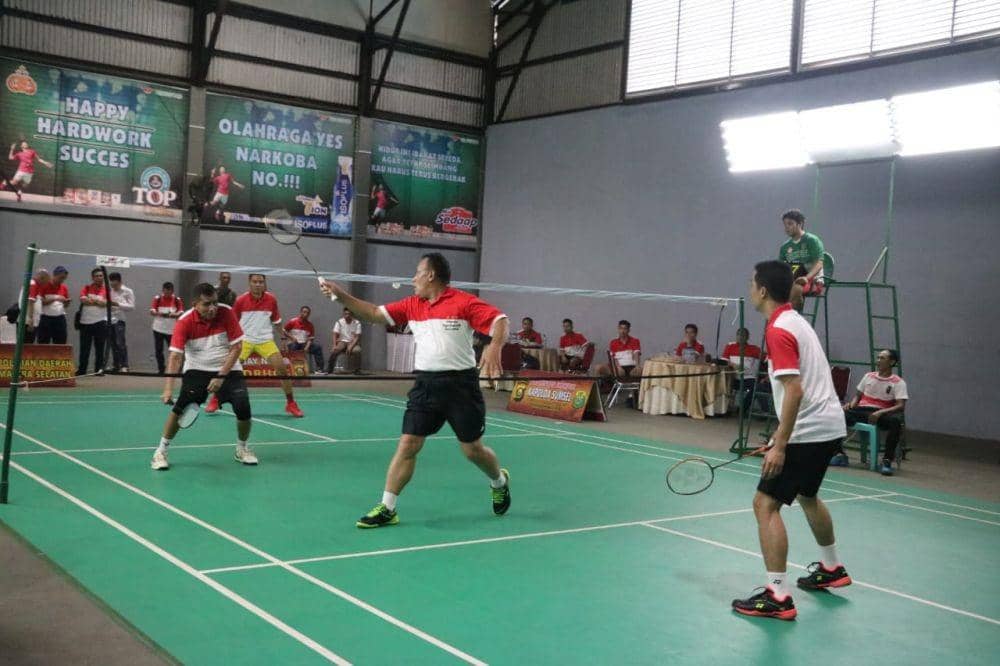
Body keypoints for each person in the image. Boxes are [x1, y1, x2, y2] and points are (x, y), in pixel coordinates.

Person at [319, 252, 511, 528]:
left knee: (472, 450)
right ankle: (388, 507)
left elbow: (500, 320)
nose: (413, 279)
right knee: (408, 444)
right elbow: (373, 313)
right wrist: (340, 295)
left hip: (461, 386)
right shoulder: (412, 305)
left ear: (431, 275)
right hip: (425, 385)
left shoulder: (463, 302)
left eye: (417, 273)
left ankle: (499, 481)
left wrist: (494, 347)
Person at [731, 260, 850, 621]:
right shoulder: (796, 319)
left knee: (764, 505)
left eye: (752, 282)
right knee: (807, 495)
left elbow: (794, 390)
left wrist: (781, 443)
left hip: (807, 429)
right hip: (830, 425)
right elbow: (797, 290)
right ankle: (832, 568)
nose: (749, 287)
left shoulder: (778, 329)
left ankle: (777, 595)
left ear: (763, 290)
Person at [152, 283, 256, 470]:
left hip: (228, 367)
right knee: (181, 407)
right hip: (197, 368)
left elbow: (237, 348)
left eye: (215, 303)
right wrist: (168, 389)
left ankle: (242, 449)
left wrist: (220, 377)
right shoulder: (184, 321)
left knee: (243, 405)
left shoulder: (226, 313)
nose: (213, 308)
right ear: (195, 304)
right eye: (207, 304)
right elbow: (175, 356)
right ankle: (160, 451)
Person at [223, 274, 303, 417]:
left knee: (282, 369)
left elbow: (277, 322)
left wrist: (286, 337)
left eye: (261, 282)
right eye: (255, 282)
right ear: (250, 283)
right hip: (245, 340)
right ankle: (217, 399)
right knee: (228, 369)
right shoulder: (241, 300)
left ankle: (291, 403)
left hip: (266, 341)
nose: (258, 284)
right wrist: (231, 341)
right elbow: (233, 322)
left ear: (264, 284)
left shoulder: (271, 299)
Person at [833, 349, 908, 475]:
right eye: (878, 357)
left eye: (882, 358)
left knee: (895, 423)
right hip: (861, 410)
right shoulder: (868, 376)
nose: (878, 360)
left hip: (880, 413)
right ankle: (839, 454)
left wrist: (881, 412)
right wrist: (850, 405)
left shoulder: (898, 382)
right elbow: (858, 396)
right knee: (835, 415)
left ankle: (886, 461)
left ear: (892, 362)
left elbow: (901, 406)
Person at [779, 209, 826, 296]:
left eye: (790, 224)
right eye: (785, 224)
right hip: (793, 281)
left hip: (813, 281)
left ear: (800, 224)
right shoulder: (784, 247)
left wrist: (806, 278)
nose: (786, 227)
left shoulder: (812, 240)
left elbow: (819, 264)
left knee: (793, 291)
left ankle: (793, 310)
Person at [721, 327, 764, 413]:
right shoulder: (730, 346)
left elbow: (766, 360)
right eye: (739, 335)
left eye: (743, 335)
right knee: (721, 382)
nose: (740, 337)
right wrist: (732, 365)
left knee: (756, 387)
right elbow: (723, 362)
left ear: (747, 337)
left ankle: (742, 409)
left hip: (748, 378)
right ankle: (723, 409)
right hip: (733, 377)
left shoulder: (754, 349)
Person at [77, 268, 109, 376]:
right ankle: (82, 370)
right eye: (97, 276)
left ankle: (98, 370)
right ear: (92, 277)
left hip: (100, 322)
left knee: (100, 348)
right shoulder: (86, 288)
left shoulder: (106, 290)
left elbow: (105, 303)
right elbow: (83, 300)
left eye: (101, 276)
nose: (99, 278)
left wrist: (92, 301)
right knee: (84, 348)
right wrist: (98, 301)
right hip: (86, 323)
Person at [150, 282, 184, 375]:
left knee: (174, 350)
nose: (167, 294)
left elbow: (181, 311)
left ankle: (174, 369)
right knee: (158, 350)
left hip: (171, 330)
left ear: (172, 291)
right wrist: (158, 313)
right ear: (163, 290)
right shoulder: (158, 298)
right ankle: (161, 369)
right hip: (158, 328)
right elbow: (152, 310)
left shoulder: (177, 299)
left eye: (169, 292)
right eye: (165, 292)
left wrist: (175, 314)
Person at [283, 305, 325, 374]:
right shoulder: (293, 321)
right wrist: (292, 337)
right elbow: (284, 331)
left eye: (308, 313)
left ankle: (319, 369)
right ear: (301, 312)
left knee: (318, 348)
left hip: (304, 344)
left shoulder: (310, 325)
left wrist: (306, 347)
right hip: (293, 343)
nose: (306, 314)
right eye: (304, 312)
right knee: (294, 346)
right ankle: (293, 369)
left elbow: (310, 339)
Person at [106, 272, 135, 372]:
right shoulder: (109, 291)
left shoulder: (128, 291)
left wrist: (117, 304)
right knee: (112, 343)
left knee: (120, 343)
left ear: (119, 281)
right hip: (109, 319)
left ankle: (125, 365)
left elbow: (131, 306)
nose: (111, 284)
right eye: (110, 282)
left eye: (113, 282)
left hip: (120, 319)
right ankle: (116, 365)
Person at [35, 266, 70, 344]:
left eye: (64, 278)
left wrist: (66, 302)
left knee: (60, 343)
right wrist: (56, 298)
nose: (62, 280)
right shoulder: (44, 285)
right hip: (45, 318)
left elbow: (65, 305)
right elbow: (41, 302)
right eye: (61, 278)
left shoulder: (64, 288)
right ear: (54, 275)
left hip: (60, 318)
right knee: (43, 343)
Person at [326, 307, 362, 374]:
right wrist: (334, 345)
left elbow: (357, 337)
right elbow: (335, 334)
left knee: (358, 351)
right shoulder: (339, 322)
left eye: (349, 314)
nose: (347, 315)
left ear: (352, 314)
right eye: (345, 314)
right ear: (343, 314)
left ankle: (357, 370)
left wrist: (351, 346)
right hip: (342, 341)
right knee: (335, 351)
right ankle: (329, 370)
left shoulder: (357, 323)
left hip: (353, 342)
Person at [20, 268, 49, 344]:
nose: (46, 284)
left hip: (28, 321)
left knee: (27, 345)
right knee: (27, 346)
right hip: (27, 322)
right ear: (42, 278)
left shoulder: (33, 284)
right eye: (46, 281)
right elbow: (31, 302)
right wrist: (30, 319)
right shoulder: (33, 285)